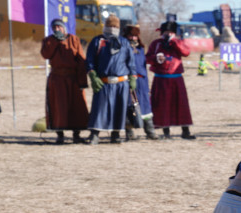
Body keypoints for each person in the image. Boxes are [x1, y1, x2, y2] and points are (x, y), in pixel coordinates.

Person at [85, 14, 136, 145]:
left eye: (115, 26)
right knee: (99, 109)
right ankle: (95, 134)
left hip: (121, 82)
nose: (112, 29)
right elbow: (90, 60)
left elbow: (131, 62)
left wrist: (132, 78)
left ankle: (116, 134)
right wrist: (92, 75)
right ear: (105, 27)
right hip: (103, 81)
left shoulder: (124, 42)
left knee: (119, 109)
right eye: (110, 26)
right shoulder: (98, 41)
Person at [40, 19, 89, 144]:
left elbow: (81, 60)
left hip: (73, 78)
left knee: (76, 106)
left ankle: (76, 135)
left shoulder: (74, 39)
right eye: (54, 27)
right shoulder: (48, 41)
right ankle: (60, 135)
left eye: (59, 27)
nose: (57, 29)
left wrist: (82, 81)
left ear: (64, 28)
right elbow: (45, 55)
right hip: (57, 79)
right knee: (58, 107)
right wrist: (56, 42)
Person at [146, 20, 195, 139]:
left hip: (176, 78)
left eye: (170, 32)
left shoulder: (178, 42)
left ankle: (185, 131)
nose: (168, 34)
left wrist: (174, 42)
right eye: (166, 32)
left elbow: (186, 52)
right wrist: (157, 58)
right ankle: (166, 132)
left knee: (181, 105)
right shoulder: (156, 43)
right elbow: (147, 58)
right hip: (161, 79)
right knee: (162, 106)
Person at [123, 25, 159, 140]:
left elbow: (143, 68)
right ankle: (129, 132)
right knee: (129, 107)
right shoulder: (122, 49)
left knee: (145, 106)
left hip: (142, 82)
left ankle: (150, 131)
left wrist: (147, 86)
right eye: (131, 35)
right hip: (129, 81)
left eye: (135, 36)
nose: (133, 38)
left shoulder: (141, 49)